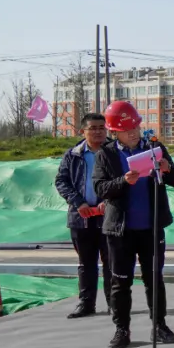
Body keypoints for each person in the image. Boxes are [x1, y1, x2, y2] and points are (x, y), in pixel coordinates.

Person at [93, 101, 174, 348]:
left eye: (135, 127)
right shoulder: (106, 154)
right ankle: (122, 329)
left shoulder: (155, 147)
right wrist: (123, 182)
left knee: (154, 278)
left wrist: (167, 169)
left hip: (151, 228)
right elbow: (100, 188)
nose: (133, 132)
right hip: (120, 230)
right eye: (126, 130)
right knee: (120, 281)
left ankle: (160, 326)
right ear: (115, 132)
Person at [54, 113, 111, 319]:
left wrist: (109, 200)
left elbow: (124, 180)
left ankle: (115, 303)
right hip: (81, 217)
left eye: (101, 128)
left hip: (109, 217)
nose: (98, 132)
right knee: (86, 263)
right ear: (83, 131)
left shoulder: (115, 152)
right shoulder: (73, 155)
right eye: (93, 128)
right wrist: (78, 202)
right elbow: (61, 181)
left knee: (111, 262)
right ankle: (86, 303)